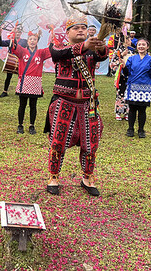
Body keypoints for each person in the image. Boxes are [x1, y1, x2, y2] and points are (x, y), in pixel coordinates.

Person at [45, 15, 108, 197]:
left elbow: (102, 56)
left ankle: (87, 177)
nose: (80, 30)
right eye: (76, 28)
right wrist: (85, 46)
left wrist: (102, 47)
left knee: (91, 144)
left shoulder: (91, 50)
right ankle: (53, 177)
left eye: (83, 27)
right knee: (58, 142)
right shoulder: (58, 46)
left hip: (88, 104)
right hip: (64, 102)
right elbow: (58, 55)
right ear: (67, 32)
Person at [10, 30, 51, 134]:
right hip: (24, 81)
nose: (32, 41)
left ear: (37, 41)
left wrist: (52, 35)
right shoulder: (22, 51)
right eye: (30, 39)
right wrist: (13, 36)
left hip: (35, 82)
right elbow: (14, 46)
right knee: (22, 105)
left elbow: (51, 49)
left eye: (34, 39)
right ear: (27, 41)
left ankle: (32, 125)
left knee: (33, 105)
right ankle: (20, 125)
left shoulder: (41, 53)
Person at [122, 38, 151, 138]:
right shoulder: (131, 59)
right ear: (136, 47)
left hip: (144, 87)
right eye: (139, 45)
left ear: (147, 46)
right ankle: (130, 129)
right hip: (132, 87)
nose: (141, 46)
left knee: (142, 110)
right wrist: (124, 66)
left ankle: (141, 130)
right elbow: (126, 74)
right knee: (132, 109)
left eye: (143, 45)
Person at [0, 24, 27, 98]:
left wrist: (38, 36)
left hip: (19, 61)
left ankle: (21, 90)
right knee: (8, 77)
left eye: (19, 32)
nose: (17, 34)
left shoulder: (24, 41)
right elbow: (1, 43)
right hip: (11, 61)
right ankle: (5, 91)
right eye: (16, 32)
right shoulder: (10, 41)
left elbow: (32, 44)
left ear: (21, 33)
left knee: (21, 77)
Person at [110, 36, 132, 120]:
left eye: (129, 39)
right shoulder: (118, 51)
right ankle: (119, 112)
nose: (129, 41)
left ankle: (127, 112)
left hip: (129, 75)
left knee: (129, 93)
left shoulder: (131, 51)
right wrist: (121, 56)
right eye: (127, 39)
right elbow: (112, 64)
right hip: (121, 76)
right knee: (120, 94)